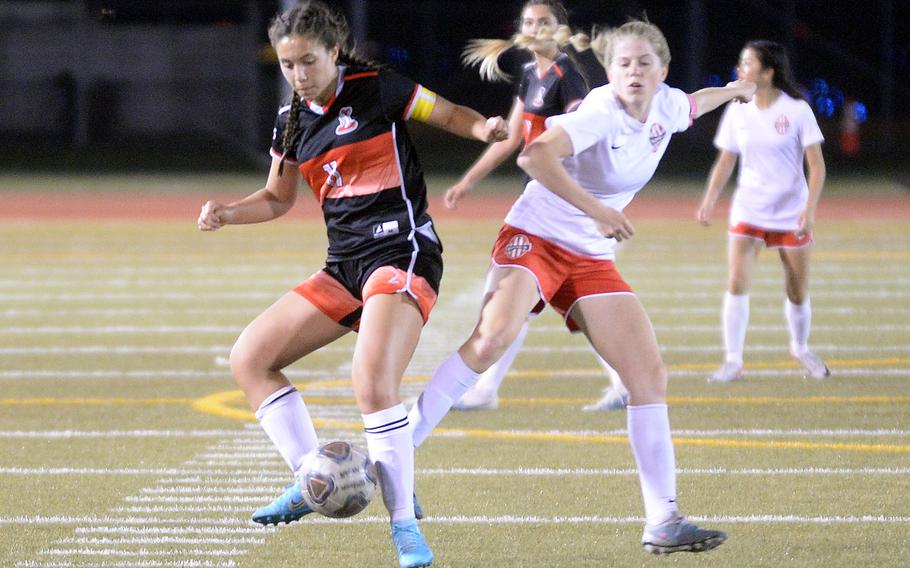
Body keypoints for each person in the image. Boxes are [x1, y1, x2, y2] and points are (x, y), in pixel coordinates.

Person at [407, 19, 756, 555]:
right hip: (537, 233)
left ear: (663, 72)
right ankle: (396, 455)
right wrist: (597, 210)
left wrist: (735, 91)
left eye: (644, 63)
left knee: (646, 375)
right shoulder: (599, 110)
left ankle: (662, 520)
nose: (633, 72)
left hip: (590, 255)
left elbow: (695, 103)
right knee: (493, 337)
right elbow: (533, 156)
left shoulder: (666, 106)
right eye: (623, 63)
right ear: (610, 72)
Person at [196, 2, 506, 567]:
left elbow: (450, 113)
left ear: (334, 53)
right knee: (250, 359)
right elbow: (277, 197)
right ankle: (312, 478)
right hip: (345, 266)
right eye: (287, 65)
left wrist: (484, 127)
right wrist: (227, 212)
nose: (297, 74)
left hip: (403, 252)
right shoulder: (292, 119)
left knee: (371, 384)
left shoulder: (378, 87)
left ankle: (405, 528)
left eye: (307, 61)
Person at [446, 0, 630, 412]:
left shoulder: (569, 77)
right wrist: (468, 180)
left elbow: (583, 144)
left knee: (551, 300)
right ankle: (490, 389)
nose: (534, 28)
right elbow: (512, 137)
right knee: (537, 303)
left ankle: (487, 389)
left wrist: (592, 208)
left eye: (544, 22)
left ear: (560, 28)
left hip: (561, 210)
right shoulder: (531, 73)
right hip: (542, 205)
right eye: (528, 22)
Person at [696, 40, 830, 383]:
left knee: (797, 290)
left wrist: (810, 211)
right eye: (740, 63)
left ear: (768, 72)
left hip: (790, 212)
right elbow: (726, 160)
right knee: (736, 282)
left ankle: (800, 348)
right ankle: (733, 361)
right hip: (749, 209)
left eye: (747, 63)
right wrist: (710, 199)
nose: (740, 69)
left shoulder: (797, 110)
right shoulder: (736, 110)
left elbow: (816, 166)